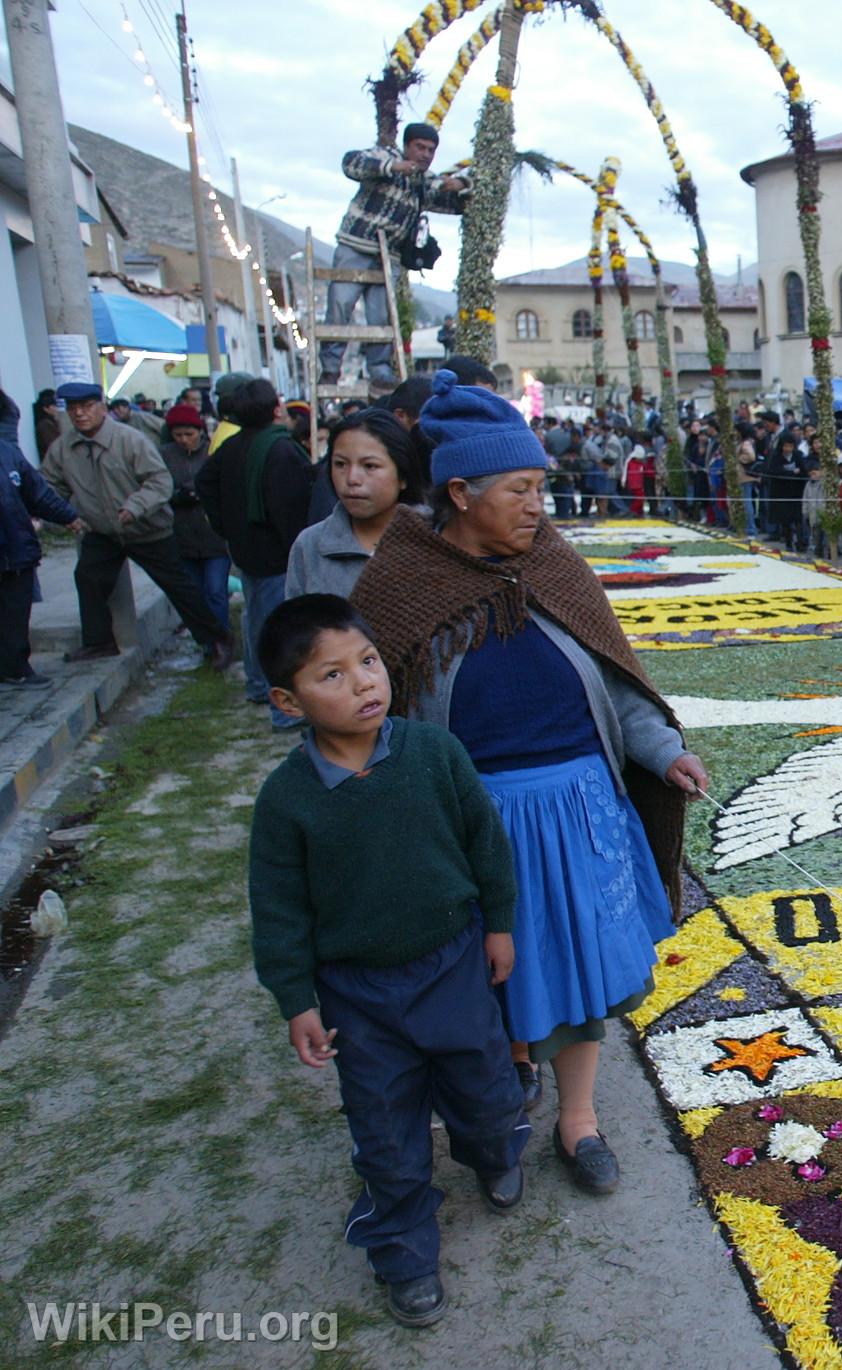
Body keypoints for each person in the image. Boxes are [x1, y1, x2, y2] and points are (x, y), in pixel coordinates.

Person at [350, 369, 708, 1194]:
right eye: (520, 488)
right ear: (461, 491)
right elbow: (372, 706)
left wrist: (661, 752)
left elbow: (621, 685)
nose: (537, 503)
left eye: (541, 485)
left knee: (580, 971)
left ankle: (577, 1123)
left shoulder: (554, 564)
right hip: (475, 818)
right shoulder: (401, 583)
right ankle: (504, 1096)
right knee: (491, 970)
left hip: (580, 807)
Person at [247, 594, 528, 1328]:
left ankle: (494, 1153)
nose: (364, 682)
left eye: (367, 662)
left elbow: (486, 845)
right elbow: (278, 910)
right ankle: (403, 1246)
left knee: (488, 1089)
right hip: (357, 994)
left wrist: (498, 925)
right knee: (385, 1130)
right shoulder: (287, 801)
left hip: (453, 962)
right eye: (332, 675)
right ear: (287, 700)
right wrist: (296, 999)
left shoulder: (435, 752)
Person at [41, 382, 232, 668]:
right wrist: (66, 514)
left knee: (180, 587)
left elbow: (159, 481)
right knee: (88, 578)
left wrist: (134, 507)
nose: (80, 414)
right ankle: (100, 642)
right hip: (101, 530)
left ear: (102, 407)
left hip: (146, 528)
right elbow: (49, 485)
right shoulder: (64, 448)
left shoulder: (129, 440)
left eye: (87, 407)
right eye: (73, 409)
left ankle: (216, 639)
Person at [198, 379, 316, 726]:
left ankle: (255, 684)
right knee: (276, 628)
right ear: (276, 409)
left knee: (256, 619)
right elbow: (291, 508)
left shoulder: (232, 446)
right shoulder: (281, 450)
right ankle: (280, 707)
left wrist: (225, 526)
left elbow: (205, 483)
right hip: (276, 554)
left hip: (246, 549)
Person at [322, 123, 469, 390]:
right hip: (355, 245)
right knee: (340, 307)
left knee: (381, 316)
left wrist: (461, 184)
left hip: (388, 255)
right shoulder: (384, 156)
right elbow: (351, 163)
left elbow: (454, 201)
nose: (425, 154)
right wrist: (392, 168)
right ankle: (331, 368)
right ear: (407, 146)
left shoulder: (423, 182)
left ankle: (379, 370)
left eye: (431, 150)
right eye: (420, 147)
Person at [287, 409, 426, 599]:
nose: (352, 479)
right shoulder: (310, 546)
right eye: (340, 464)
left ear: (402, 475)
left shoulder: (437, 538)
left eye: (370, 466)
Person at [0, 388, 80, 686]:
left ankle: (15, 668)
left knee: (16, 613)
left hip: (15, 549)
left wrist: (69, 516)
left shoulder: (9, 454)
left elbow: (39, 494)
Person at [157, 403, 231, 638]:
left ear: (199, 431)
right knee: (195, 594)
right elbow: (157, 486)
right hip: (183, 537)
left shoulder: (213, 452)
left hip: (215, 537)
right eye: (178, 435)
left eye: (189, 434)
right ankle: (207, 640)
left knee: (216, 591)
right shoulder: (165, 456)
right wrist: (177, 496)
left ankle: (222, 637)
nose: (184, 440)